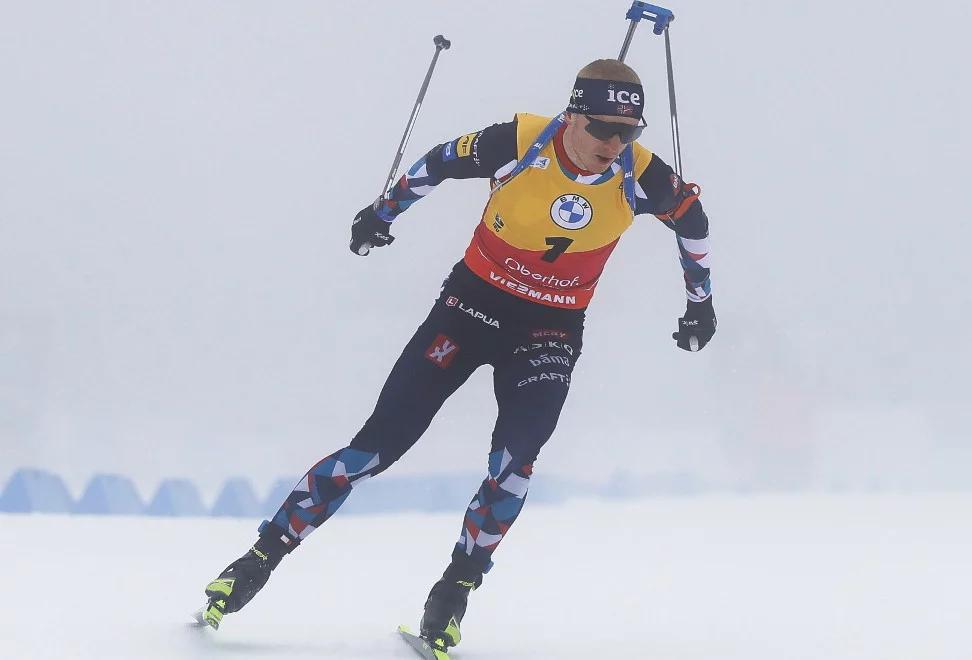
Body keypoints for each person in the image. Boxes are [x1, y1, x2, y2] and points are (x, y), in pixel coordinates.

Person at [199, 58, 716, 653]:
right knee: (375, 449)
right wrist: (382, 214)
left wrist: (699, 305)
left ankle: (451, 597)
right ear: (572, 116)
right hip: (467, 312)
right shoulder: (521, 142)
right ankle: (256, 561)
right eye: (602, 128)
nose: (615, 144)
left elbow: (693, 222)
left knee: (514, 464)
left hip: (548, 331)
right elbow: (439, 162)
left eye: (628, 132)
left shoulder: (641, 174)